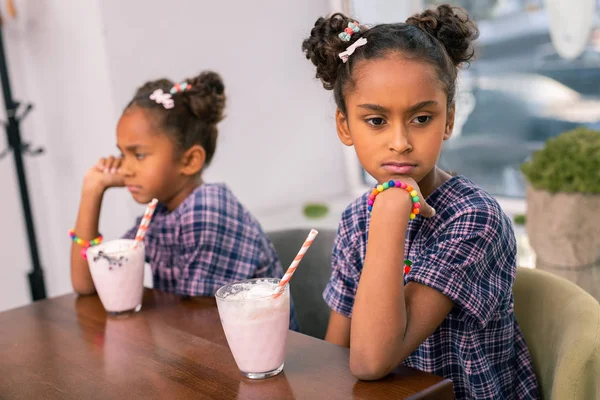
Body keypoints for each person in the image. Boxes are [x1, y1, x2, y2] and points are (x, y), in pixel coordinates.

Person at [302, 5, 540, 398]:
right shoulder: (354, 220)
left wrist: (392, 211)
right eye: (376, 121)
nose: (400, 141)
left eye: (421, 118)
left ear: (448, 119)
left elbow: (370, 360)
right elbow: (337, 353)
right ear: (345, 126)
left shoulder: (473, 219)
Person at [70, 70, 298, 330]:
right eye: (122, 153)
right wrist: (92, 191)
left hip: (253, 360)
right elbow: (85, 284)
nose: (125, 168)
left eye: (139, 155)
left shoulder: (205, 210)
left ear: (190, 160)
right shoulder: (160, 211)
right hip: (196, 352)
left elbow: (199, 326)